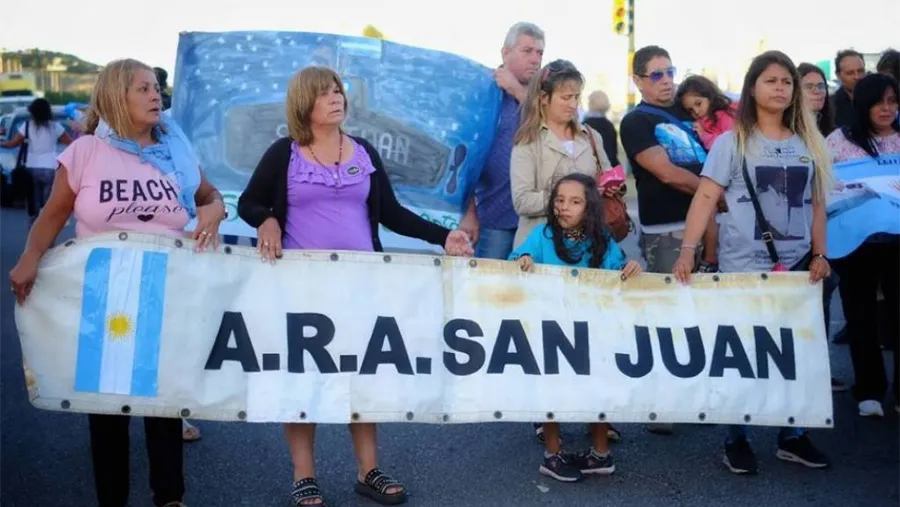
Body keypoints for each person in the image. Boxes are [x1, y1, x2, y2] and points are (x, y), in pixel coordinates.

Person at [237, 66, 473, 507]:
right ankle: (304, 475)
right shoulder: (283, 153)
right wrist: (267, 218)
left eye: (338, 91)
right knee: (302, 378)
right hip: (301, 290)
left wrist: (444, 237)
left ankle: (369, 470)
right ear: (304, 103)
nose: (336, 98)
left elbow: (393, 214)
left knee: (361, 377)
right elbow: (251, 201)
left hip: (361, 287)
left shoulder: (361, 151)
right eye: (325, 93)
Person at [8, 58, 227, 507]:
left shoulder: (177, 152)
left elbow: (210, 197)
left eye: (156, 88)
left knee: (163, 404)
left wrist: (214, 209)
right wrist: (30, 256)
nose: (156, 96)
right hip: (106, 299)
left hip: (168, 293)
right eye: (143, 88)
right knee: (107, 409)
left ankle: (170, 497)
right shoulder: (86, 151)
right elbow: (53, 214)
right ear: (115, 97)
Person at [672, 50, 833, 475]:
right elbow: (705, 197)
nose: (780, 88)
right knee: (741, 356)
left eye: (786, 82)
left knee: (795, 354)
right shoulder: (731, 143)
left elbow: (816, 204)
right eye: (771, 81)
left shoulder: (809, 143)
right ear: (753, 88)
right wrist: (688, 251)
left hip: (797, 268)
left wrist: (820, 254)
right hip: (742, 267)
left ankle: (792, 435)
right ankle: (736, 438)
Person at [510, 173, 641, 482]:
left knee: (593, 390)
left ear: (590, 207)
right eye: (559, 200)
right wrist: (524, 258)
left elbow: (617, 270)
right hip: (551, 330)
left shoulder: (601, 239)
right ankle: (552, 455)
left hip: (590, 332)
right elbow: (515, 258)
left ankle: (600, 455)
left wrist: (630, 269)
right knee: (551, 390)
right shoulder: (543, 235)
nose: (564, 207)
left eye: (575, 201)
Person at [619, 46, 719, 434]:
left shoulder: (684, 113)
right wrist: (715, 193)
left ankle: (697, 399)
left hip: (706, 224)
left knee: (702, 315)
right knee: (668, 316)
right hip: (668, 231)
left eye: (669, 71)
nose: (666, 80)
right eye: (656, 74)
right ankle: (662, 406)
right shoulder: (635, 121)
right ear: (639, 81)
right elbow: (666, 172)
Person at [825, 73, 900, 417]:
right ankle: (868, 390)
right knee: (861, 315)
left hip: (897, 243)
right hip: (855, 244)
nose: (887, 109)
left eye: (893, 101)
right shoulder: (839, 141)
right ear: (863, 104)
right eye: (879, 102)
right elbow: (823, 189)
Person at [458, 22, 545, 260]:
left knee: (530, 291)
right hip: (493, 217)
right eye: (527, 51)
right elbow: (463, 157)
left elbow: (551, 126)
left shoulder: (544, 95)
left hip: (538, 219)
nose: (535, 59)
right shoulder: (483, 91)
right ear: (505, 53)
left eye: (539, 53)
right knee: (490, 290)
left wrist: (517, 91)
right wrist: (468, 212)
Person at [510, 59, 615, 248]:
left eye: (576, 97)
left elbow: (606, 179)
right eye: (566, 98)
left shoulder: (591, 136)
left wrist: (613, 187)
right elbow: (522, 201)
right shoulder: (527, 141)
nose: (573, 104)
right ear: (543, 98)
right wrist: (570, 199)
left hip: (587, 248)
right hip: (539, 251)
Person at [1, 97, 73, 220]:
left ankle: (33, 229)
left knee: (33, 203)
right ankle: (46, 228)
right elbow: (71, 143)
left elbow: (12, 144)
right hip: (50, 168)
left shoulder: (27, 126)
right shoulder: (55, 127)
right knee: (47, 205)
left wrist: (1, 143)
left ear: (33, 112)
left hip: (31, 169)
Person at [676, 75, 737, 150]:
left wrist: (703, 135)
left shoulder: (725, 115)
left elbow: (728, 145)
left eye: (698, 103)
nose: (696, 111)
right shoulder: (698, 123)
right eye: (690, 110)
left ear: (709, 96)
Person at [582, 90, 621, 166]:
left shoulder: (584, 126)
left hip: (591, 169)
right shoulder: (609, 125)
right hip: (610, 168)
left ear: (590, 103)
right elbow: (613, 151)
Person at [831, 49, 866, 129]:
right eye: (850, 73)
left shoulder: (878, 101)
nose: (857, 77)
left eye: (860, 71)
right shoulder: (830, 107)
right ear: (838, 75)